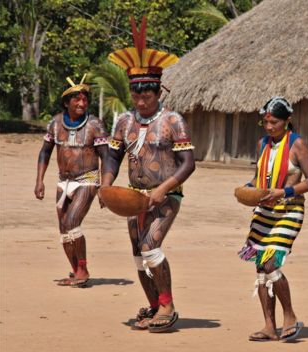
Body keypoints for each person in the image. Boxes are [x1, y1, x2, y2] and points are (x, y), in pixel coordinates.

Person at [102, 16, 195, 332]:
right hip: (133, 196)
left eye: (147, 96)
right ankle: (154, 304)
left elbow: (188, 163)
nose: (141, 101)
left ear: (157, 92)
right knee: (137, 255)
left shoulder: (173, 121)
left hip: (165, 195)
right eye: (136, 96)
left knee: (150, 246)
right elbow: (113, 154)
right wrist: (106, 185)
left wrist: (162, 190)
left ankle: (167, 305)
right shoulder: (124, 121)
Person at [238, 96, 308, 342]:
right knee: (261, 268)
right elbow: (259, 178)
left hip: (289, 211)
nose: (270, 127)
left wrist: (284, 192)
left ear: (288, 121)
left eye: (274, 122)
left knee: (271, 263)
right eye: (266, 122)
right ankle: (269, 326)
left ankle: (290, 316)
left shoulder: (297, 144)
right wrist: (248, 189)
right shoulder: (263, 142)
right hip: (264, 212)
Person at [34, 75, 109, 287]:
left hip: (88, 179)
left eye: (85, 99)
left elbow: (107, 157)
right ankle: (76, 271)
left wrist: (105, 187)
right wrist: (39, 181)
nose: (81, 103)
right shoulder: (55, 123)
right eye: (76, 99)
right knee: (63, 229)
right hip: (63, 180)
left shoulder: (95, 125)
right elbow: (45, 152)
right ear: (66, 102)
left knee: (72, 222)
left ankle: (83, 269)